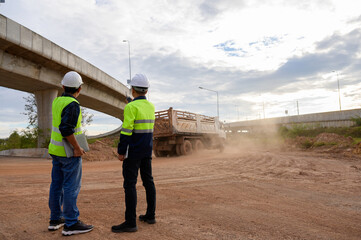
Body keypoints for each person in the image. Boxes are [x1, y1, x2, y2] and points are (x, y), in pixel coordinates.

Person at [48, 71, 93, 236]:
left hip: (55, 151)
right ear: (79, 89)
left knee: (57, 185)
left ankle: (55, 219)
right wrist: (76, 147)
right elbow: (66, 129)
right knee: (70, 187)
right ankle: (71, 223)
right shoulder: (73, 104)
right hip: (68, 153)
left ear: (63, 86)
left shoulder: (57, 101)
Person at [112, 73, 156, 233]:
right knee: (148, 181)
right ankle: (151, 215)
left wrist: (121, 151)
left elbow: (126, 131)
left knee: (130, 185)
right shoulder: (150, 106)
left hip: (133, 152)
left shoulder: (130, 107)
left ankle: (130, 222)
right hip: (146, 150)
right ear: (146, 90)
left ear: (133, 90)